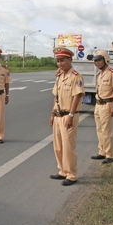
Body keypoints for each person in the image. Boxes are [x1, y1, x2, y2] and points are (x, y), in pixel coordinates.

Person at [49, 47, 85, 186]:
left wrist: (70, 115)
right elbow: (56, 97)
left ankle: (71, 175)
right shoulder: (60, 76)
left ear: (70, 59)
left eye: (63, 60)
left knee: (68, 146)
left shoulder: (76, 76)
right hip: (58, 115)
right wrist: (52, 114)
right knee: (58, 146)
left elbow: (77, 96)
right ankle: (62, 170)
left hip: (68, 116)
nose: (60, 63)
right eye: (58, 61)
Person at [90, 50, 113, 164]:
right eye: (95, 60)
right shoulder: (100, 74)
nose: (97, 63)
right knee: (99, 130)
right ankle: (102, 152)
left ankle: (110, 154)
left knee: (107, 131)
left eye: (99, 60)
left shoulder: (112, 73)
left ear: (105, 60)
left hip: (107, 105)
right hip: (98, 104)